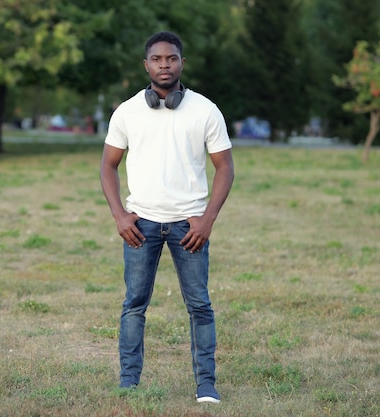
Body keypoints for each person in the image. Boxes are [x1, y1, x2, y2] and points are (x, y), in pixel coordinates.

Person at [99, 31, 234, 404]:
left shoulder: (205, 110)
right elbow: (108, 166)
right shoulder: (127, 111)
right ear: (146, 65)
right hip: (140, 225)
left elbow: (225, 168)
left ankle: (206, 384)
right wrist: (119, 216)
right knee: (134, 304)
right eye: (156, 59)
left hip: (188, 226)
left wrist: (207, 220)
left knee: (200, 305)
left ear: (181, 63)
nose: (164, 65)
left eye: (171, 58)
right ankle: (129, 382)